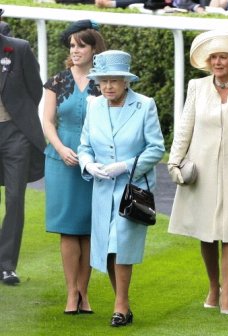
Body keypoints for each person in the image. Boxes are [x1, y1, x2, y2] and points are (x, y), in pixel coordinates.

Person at [168, 31, 228, 315]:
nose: (218, 62)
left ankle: (227, 293)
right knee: (206, 233)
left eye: (223, 56)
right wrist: (174, 162)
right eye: (213, 57)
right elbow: (185, 125)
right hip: (202, 168)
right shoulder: (197, 86)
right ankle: (213, 286)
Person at [78, 50, 165, 326]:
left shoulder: (145, 105)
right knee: (110, 249)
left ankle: (120, 305)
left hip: (132, 190)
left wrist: (126, 166)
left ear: (126, 81)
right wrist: (89, 164)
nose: (107, 86)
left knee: (121, 243)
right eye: (102, 81)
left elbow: (156, 149)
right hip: (103, 190)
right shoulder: (94, 107)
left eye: (113, 80)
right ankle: (123, 305)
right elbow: (84, 146)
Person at [42, 20, 106, 314]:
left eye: (81, 45)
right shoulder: (57, 81)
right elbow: (47, 121)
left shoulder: (105, 81)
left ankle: (85, 293)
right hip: (61, 161)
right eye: (72, 46)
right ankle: (71, 294)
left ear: (94, 48)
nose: (75, 50)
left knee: (89, 230)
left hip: (95, 163)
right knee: (68, 230)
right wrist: (60, 148)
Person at [0, 8, 46, 285]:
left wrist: (18, 116)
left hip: (15, 133)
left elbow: (35, 89)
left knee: (15, 199)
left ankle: (6, 265)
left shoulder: (17, 48)